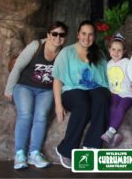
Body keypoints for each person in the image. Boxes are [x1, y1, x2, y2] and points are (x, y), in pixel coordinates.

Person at [4, 21, 68, 170]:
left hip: (46, 90)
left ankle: (34, 153)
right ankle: (20, 154)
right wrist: (9, 89)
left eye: (62, 35)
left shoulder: (63, 53)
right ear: (48, 34)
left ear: (65, 37)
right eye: (54, 34)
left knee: (41, 117)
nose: (58, 37)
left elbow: (61, 78)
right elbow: (18, 66)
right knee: (25, 115)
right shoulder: (36, 45)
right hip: (24, 86)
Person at [52, 20, 110, 169]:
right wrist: (58, 105)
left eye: (90, 34)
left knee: (102, 98)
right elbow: (57, 80)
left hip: (94, 89)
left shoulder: (99, 54)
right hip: (72, 91)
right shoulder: (67, 52)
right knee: (83, 103)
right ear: (78, 35)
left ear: (94, 37)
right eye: (84, 33)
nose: (87, 37)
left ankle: (91, 145)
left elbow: (106, 79)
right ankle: (65, 149)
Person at [101, 33, 132, 147]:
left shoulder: (127, 62)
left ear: (124, 51)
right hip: (115, 92)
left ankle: (110, 132)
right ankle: (116, 134)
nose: (116, 52)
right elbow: (109, 79)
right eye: (113, 49)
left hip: (128, 94)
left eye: (119, 50)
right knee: (112, 107)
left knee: (121, 108)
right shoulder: (109, 64)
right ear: (109, 50)